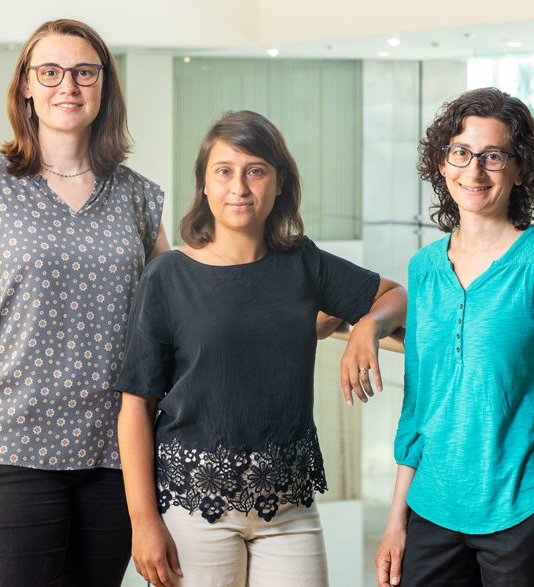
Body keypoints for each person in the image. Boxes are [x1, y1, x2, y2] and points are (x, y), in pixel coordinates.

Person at [0, 19, 168, 586]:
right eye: (49, 72)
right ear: (26, 85)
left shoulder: (139, 198)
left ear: (104, 87)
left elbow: (172, 312)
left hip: (113, 454)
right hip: (7, 450)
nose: (66, 86)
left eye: (83, 73)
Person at [116, 110, 406, 587]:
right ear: (204, 186)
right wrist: (144, 522)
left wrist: (365, 328)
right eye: (224, 171)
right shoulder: (167, 276)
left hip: (290, 510)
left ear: (278, 184)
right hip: (195, 510)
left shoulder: (303, 263)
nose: (240, 187)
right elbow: (135, 408)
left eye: (256, 171)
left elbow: (396, 295)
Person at [375, 87, 534, 587]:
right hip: (431, 512)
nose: (474, 171)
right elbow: (419, 407)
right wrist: (396, 520)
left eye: (493, 157)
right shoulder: (424, 269)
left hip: (527, 514)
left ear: (520, 167)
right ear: (442, 164)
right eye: (461, 153)